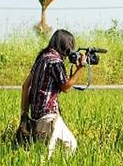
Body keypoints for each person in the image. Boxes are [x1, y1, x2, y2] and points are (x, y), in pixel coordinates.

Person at [18, 29, 86, 157]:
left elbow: (25, 86)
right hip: (49, 116)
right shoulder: (56, 62)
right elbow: (66, 87)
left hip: (36, 116)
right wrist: (79, 69)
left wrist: (24, 113)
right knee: (70, 145)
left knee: (46, 151)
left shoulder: (41, 58)